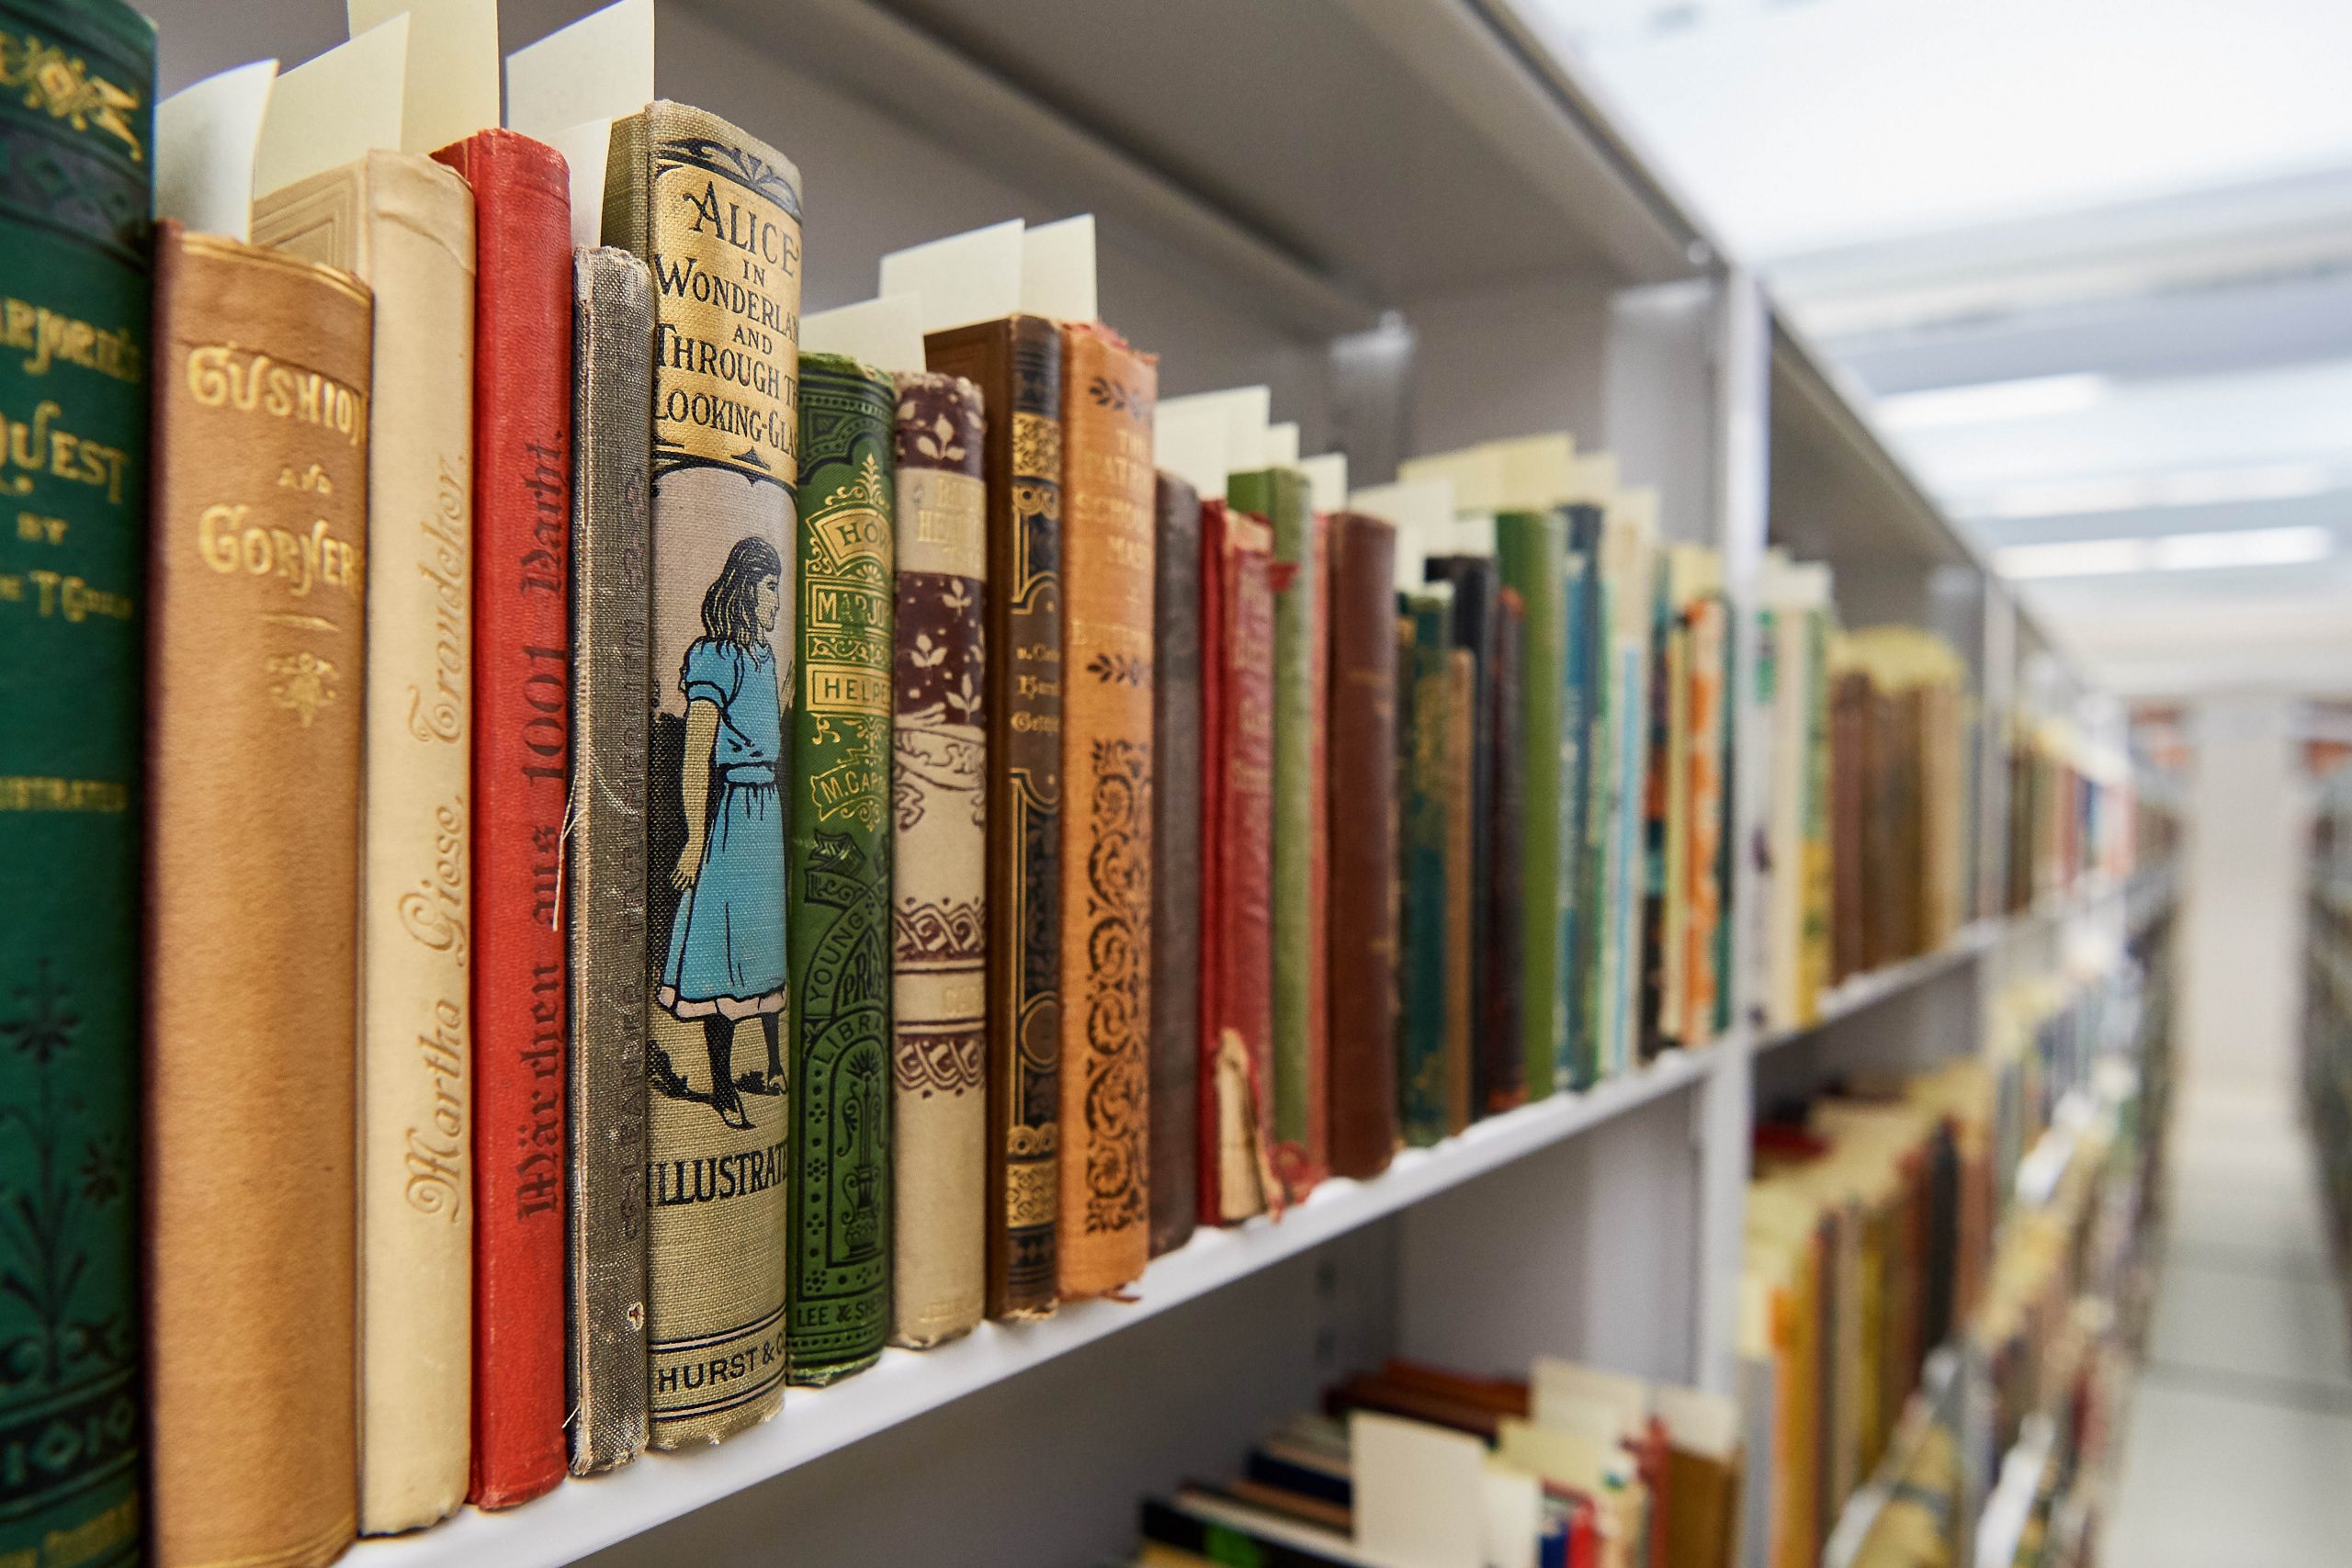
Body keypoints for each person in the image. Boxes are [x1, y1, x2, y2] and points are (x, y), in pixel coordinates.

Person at [659, 535, 786, 1129]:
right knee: (723, 950)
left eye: (780, 587)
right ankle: (722, 1085)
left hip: (769, 812)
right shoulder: (716, 657)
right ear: (745, 588)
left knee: (764, 942)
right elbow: (696, 753)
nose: (777, 601)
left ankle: (774, 1066)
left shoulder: (766, 659)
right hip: (732, 815)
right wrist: (693, 836)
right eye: (769, 586)